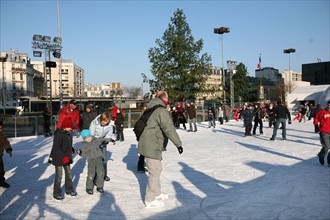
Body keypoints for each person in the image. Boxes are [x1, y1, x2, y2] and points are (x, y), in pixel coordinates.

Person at [138, 90, 183, 208]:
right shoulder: (160, 110)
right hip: (151, 144)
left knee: (157, 169)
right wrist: (178, 144)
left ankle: (157, 193)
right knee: (154, 171)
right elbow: (169, 128)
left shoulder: (151, 107)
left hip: (151, 142)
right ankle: (149, 199)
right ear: (165, 98)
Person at [49, 118, 77, 200]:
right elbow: (56, 148)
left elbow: (67, 145)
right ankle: (56, 192)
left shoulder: (67, 133)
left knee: (69, 174)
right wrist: (63, 157)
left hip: (66, 157)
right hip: (58, 158)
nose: (71, 129)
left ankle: (69, 189)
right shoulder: (58, 134)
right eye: (70, 127)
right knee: (59, 176)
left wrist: (72, 149)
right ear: (65, 126)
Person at [89, 112, 116, 182]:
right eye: (104, 121)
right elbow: (91, 134)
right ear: (101, 119)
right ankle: (95, 177)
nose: (105, 123)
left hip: (103, 141)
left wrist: (106, 140)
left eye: (107, 122)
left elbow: (109, 133)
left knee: (104, 160)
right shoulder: (94, 123)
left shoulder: (110, 124)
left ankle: (104, 175)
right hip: (95, 141)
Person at [78, 129, 105, 194]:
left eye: (89, 137)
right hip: (91, 160)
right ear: (84, 139)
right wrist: (80, 153)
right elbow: (83, 154)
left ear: (91, 135)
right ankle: (89, 187)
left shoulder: (95, 140)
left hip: (98, 158)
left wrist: (109, 140)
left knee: (100, 172)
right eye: (86, 138)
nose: (88, 139)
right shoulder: (84, 144)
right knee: (91, 173)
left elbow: (102, 140)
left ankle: (100, 186)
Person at [313, 100, 330, 166]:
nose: (329, 106)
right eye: (328, 105)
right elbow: (316, 118)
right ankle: (321, 155)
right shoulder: (323, 112)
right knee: (326, 147)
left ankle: (329, 161)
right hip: (324, 131)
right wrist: (316, 125)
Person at [0, 121, 13, 188]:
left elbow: (6, 142)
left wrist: (8, 149)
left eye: (1, 128)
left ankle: (2, 181)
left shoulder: (2, 135)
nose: (0, 130)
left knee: (1, 170)